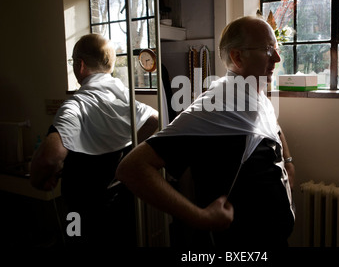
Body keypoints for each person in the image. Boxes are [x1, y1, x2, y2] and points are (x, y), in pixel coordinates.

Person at [116, 16, 295, 248]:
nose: (277, 59)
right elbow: (131, 168)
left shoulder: (255, 96)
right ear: (237, 57)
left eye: (277, 49)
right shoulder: (213, 107)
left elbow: (273, 126)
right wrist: (199, 218)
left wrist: (288, 163)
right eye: (268, 50)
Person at [30, 33, 159, 246]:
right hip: (121, 205)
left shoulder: (76, 105)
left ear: (80, 65)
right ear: (109, 65)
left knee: (77, 241)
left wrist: (37, 179)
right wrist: (129, 146)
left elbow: (50, 157)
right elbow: (154, 119)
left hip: (83, 212)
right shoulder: (125, 97)